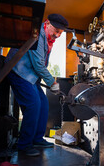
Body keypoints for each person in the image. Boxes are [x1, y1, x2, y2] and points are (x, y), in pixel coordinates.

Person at [6, 14, 69, 156]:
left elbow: (40, 64)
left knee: (43, 103)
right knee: (33, 105)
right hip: (18, 71)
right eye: (56, 31)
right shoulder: (38, 34)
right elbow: (39, 65)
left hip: (30, 75)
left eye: (61, 33)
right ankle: (24, 145)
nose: (58, 35)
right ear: (47, 23)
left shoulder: (48, 38)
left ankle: (37, 138)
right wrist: (52, 83)